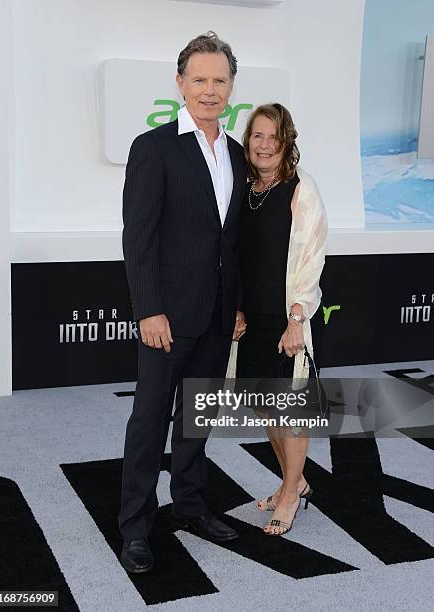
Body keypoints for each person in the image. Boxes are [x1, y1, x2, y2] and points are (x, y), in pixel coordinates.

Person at [119, 32, 248, 573]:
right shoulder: (154, 148)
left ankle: (190, 506)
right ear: (180, 84)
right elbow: (139, 237)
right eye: (200, 80)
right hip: (166, 319)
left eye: (220, 80)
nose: (210, 90)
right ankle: (135, 527)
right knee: (150, 419)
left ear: (231, 86)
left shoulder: (238, 155)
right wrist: (148, 309)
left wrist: (236, 305)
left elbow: (233, 240)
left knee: (196, 417)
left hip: (218, 318)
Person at [234, 103, 327, 536]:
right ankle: (296, 480)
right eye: (257, 135)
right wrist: (234, 306)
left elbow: (311, 257)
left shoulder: (300, 188)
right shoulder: (243, 188)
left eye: (273, 136)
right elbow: (233, 256)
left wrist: (296, 318)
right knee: (264, 404)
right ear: (247, 141)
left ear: (286, 141)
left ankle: (291, 494)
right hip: (251, 318)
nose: (265, 144)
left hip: (287, 318)